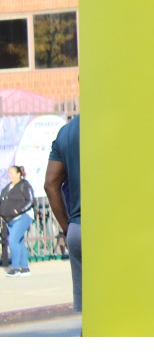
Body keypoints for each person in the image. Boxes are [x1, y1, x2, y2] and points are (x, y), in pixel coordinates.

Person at [44, 116, 82, 310]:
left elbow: (50, 184)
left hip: (77, 228)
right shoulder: (116, 121)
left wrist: (68, 227)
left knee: (89, 314)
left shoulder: (66, 132)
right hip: (113, 230)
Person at [1, 165, 36, 277]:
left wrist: (18, 210)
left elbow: (30, 201)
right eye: (8, 173)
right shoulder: (8, 187)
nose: (9, 175)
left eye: (11, 173)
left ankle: (15, 268)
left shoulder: (24, 185)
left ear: (19, 174)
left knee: (12, 240)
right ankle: (25, 268)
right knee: (19, 241)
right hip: (9, 219)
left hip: (23, 217)